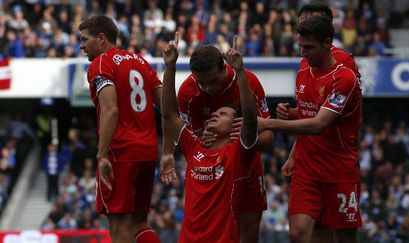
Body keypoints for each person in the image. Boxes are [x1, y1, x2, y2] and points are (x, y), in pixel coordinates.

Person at [259, 16, 362, 243]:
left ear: (328, 42)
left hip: (339, 170)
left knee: (345, 237)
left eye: (309, 47)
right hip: (307, 170)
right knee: (298, 233)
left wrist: (270, 123)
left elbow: (319, 124)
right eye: (300, 47)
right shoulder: (304, 69)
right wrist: (292, 115)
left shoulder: (344, 78)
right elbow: (309, 113)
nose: (303, 53)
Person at [160, 41, 274, 243]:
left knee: (248, 231)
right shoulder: (188, 93)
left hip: (240, 163)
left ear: (224, 68)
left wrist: (240, 73)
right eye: (202, 83)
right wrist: (170, 66)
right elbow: (169, 115)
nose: (208, 88)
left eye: (213, 81)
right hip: (207, 159)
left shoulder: (248, 84)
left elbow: (263, 134)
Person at [79, 15, 160, 243]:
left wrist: (102, 154)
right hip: (147, 150)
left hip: (120, 152)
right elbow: (166, 106)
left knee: (119, 225)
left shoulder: (100, 64)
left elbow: (111, 110)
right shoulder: (141, 62)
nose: (82, 45)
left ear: (101, 38)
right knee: (140, 222)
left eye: (85, 39)